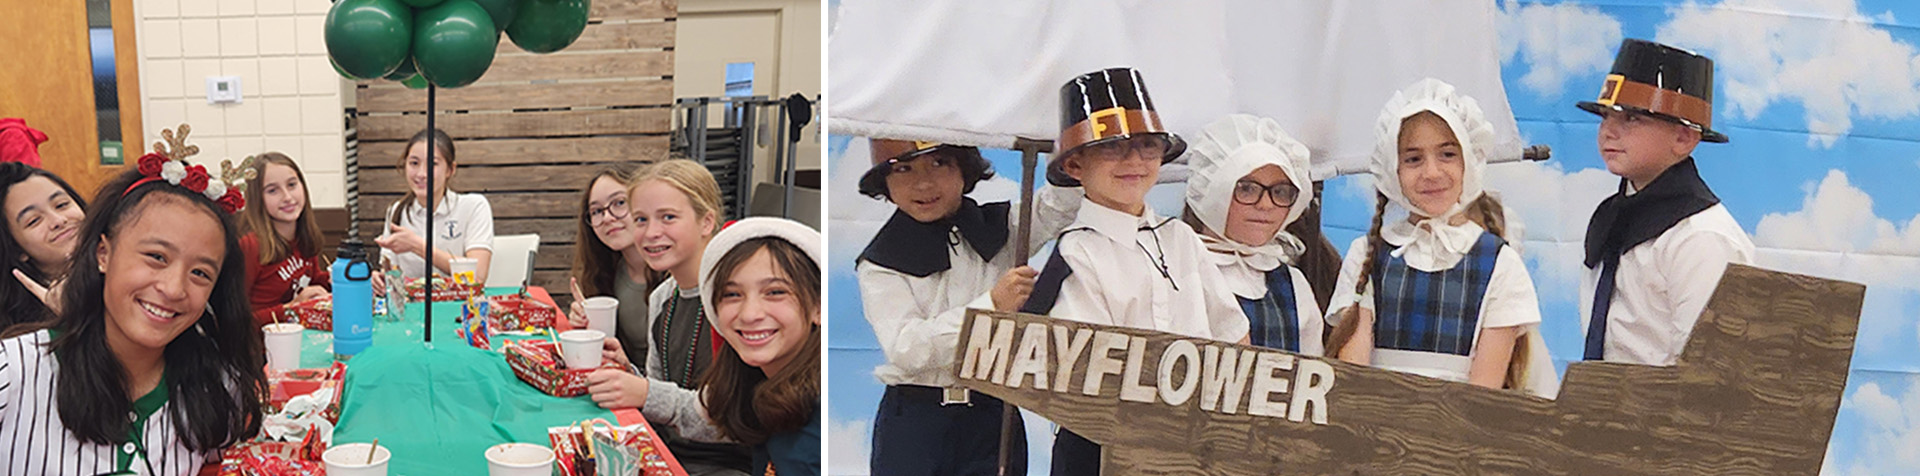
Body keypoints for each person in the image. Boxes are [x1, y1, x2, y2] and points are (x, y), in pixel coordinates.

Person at [1025, 67, 1250, 476]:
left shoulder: (1182, 238)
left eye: (1147, 147)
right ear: (1075, 165)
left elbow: (1235, 337)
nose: (1134, 161)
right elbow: (1089, 375)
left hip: (1191, 442)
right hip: (1100, 448)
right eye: (1113, 148)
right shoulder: (1076, 254)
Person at [0, 140, 265, 473]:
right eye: (156, 257)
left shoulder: (218, 387)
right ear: (103, 254)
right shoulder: (14, 371)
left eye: (200, 273)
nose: (173, 289)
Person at [854, 138, 1081, 475]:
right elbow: (907, 348)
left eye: (939, 163)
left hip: (993, 415)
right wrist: (992, 305)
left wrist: (1069, 151)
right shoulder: (880, 262)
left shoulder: (1001, 227)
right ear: (884, 183)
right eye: (903, 168)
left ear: (964, 169)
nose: (924, 182)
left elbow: (1058, 208)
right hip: (916, 422)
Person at [1323, 78, 1556, 398]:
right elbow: (1354, 380)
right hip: (1375, 426)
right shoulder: (1367, 254)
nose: (1431, 172)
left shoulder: (1501, 263)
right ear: (1393, 170)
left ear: (1469, 161)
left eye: (1447, 154)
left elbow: (1484, 396)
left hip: (1459, 436)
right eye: (1413, 159)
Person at [1576, 39, 1755, 366]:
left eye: (1631, 119)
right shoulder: (1611, 217)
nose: (1608, 131)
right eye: (1605, 115)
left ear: (1684, 139)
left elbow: (1705, 372)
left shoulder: (1701, 239)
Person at [584, 159, 751, 475]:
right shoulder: (662, 298)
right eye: (641, 219)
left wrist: (645, 392)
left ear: (706, 222)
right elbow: (661, 391)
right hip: (666, 453)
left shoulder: (735, 296)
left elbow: (735, 421)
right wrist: (629, 374)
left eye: (668, 217)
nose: (651, 233)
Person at [1180, 114, 1324, 354]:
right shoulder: (1179, 270)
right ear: (1212, 190)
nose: (1266, 205)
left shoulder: (1293, 284)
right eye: (1247, 189)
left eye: (1280, 191)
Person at [698, 217, 822, 476]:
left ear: (818, 307)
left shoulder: (815, 433)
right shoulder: (761, 388)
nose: (750, 314)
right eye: (732, 294)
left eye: (775, 292)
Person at [567, 163, 664, 368]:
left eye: (619, 203)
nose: (608, 218)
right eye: (597, 211)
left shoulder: (675, 275)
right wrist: (586, 325)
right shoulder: (607, 272)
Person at [376, 128, 495, 284]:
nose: (421, 174)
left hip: (459, 305)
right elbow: (390, 273)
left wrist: (416, 245)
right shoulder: (397, 211)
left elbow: (477, 275)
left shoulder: (474, 206)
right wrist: (379, 279)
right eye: (414, 163)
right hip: (412, 305)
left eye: (432, 164)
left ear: (450, 170)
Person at [237, 152, 331, 326]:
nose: (287, 197)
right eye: (273, 190)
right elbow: (234, 320)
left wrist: (347, 278)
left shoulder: (304, 236)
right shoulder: (250, 246)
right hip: (262, 349)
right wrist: (291, 309)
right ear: (258, 199)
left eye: (292, 185)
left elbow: (314, 280)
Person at [1, 163, 86, 329]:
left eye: (61, 205)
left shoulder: (125, 267)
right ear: (17, 250)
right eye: (34, 220)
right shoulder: (18, 331)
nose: (59, 221)